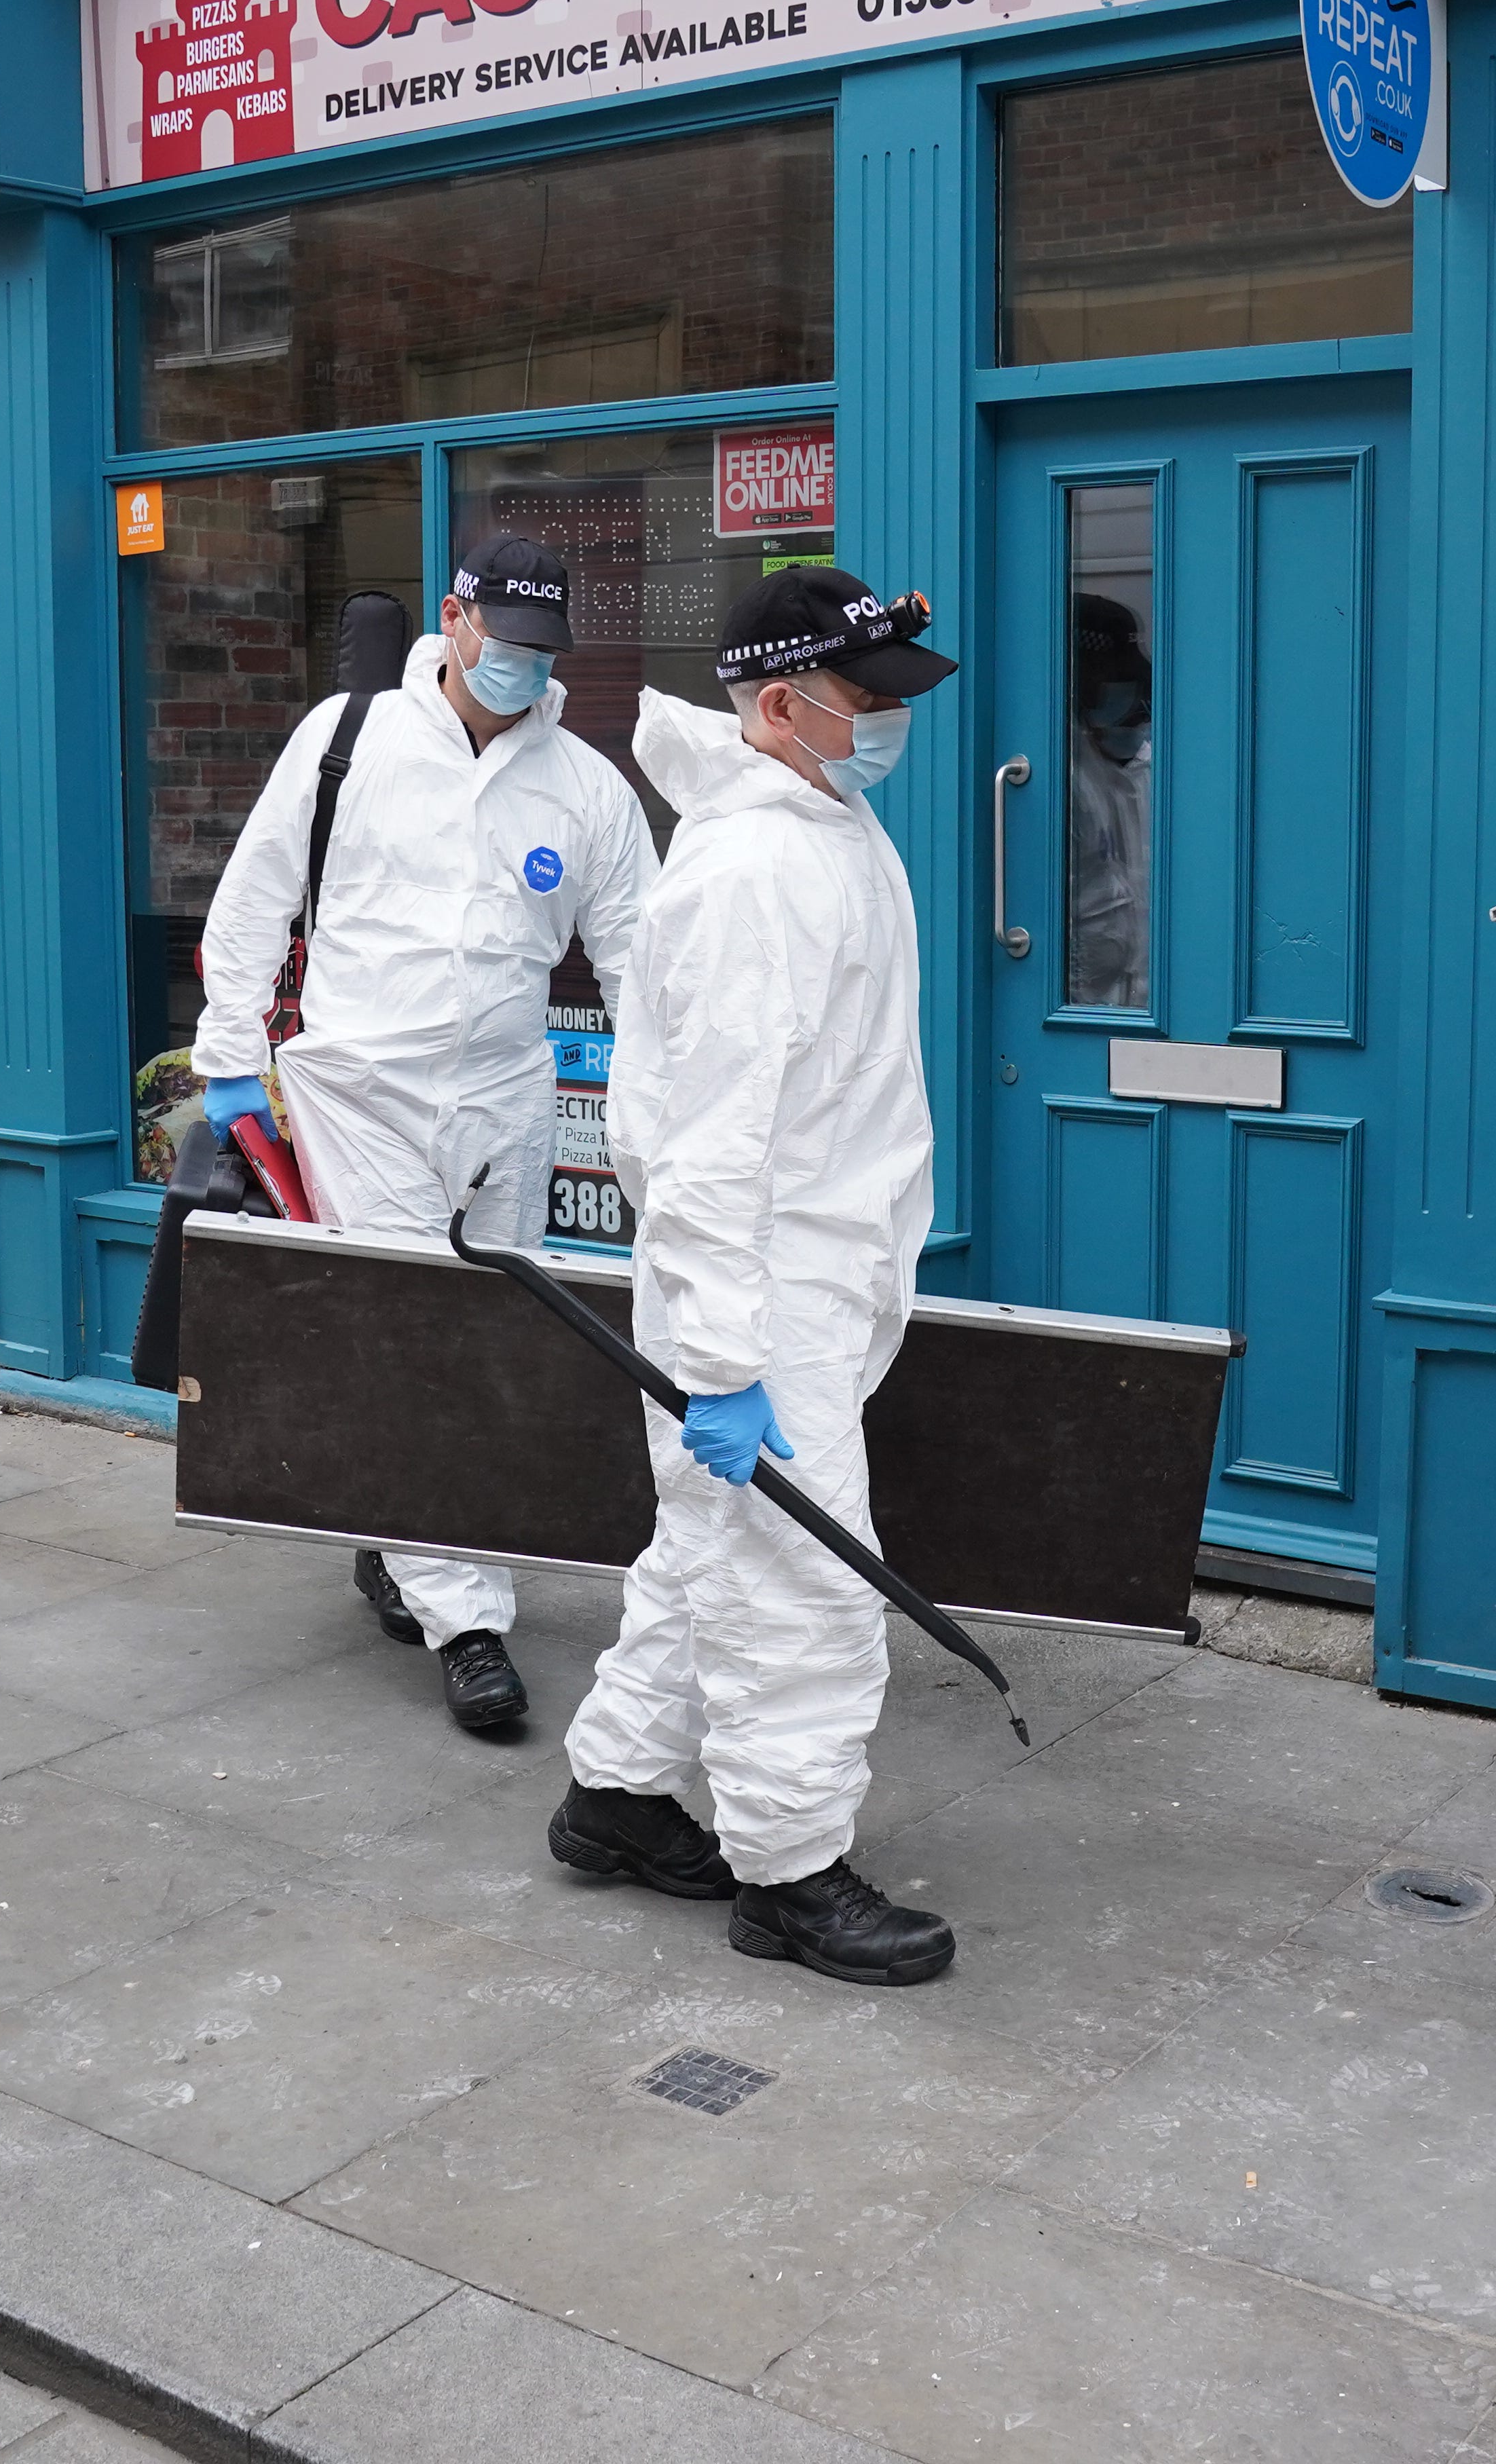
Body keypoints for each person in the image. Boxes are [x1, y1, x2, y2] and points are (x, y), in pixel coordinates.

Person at [546, 566, 962, 1987]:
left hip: (805, 1276)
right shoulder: (757, 870)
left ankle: (615, 1795)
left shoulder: (819, 823)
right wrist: (725, 1365)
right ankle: (789, 1873)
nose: (890, 724)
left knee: (712, 1552)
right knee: (805, 1585)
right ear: (779, 705)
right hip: (761, 1289)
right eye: (867, 700)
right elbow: (714, 1151)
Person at [192, 535, 652, 1733]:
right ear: (454, 619)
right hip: (361, 1089)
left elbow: (641, 966)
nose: (519, 667)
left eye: (541, 651)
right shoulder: (350, 741)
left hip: (506, 1095)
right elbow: (254, 896)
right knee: (414, 1336)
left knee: (492, 1343)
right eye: (502, 640)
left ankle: (393, 1536)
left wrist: (667, 1110)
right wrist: (229, 1058)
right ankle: (471, 1623)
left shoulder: (585, 787)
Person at [1064, 593, 1154, 1011]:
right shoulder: (1062, 780)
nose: (1137, 714)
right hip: (1076, 1010)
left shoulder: (1137, 770)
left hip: (1135, 1004)